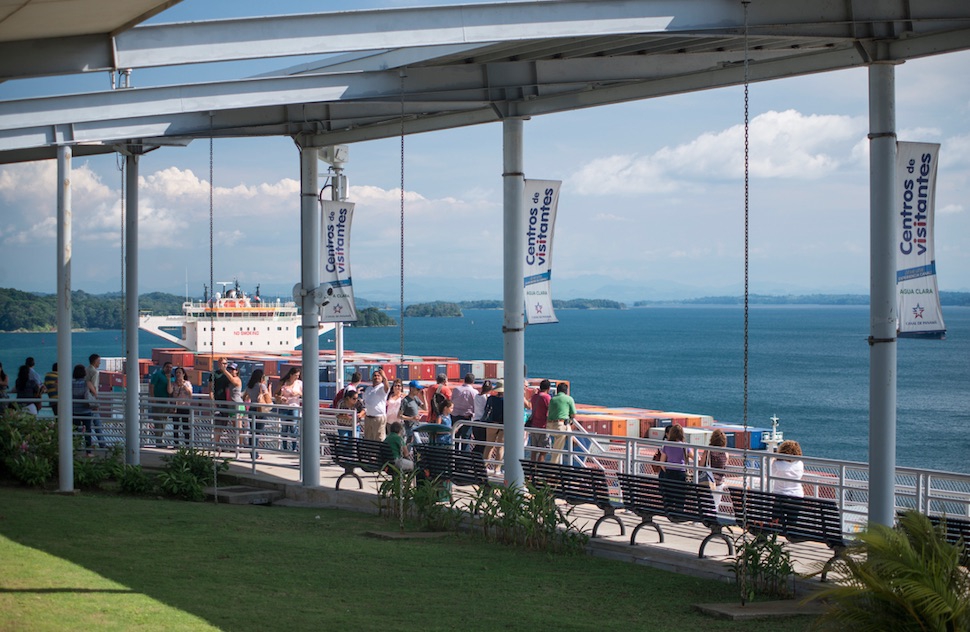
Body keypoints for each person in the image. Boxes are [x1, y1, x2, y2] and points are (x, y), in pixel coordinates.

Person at [657, 423, 692, 514]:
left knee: (670, 494)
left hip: (669, 473)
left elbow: (662, 462)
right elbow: (697, 458)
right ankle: (679, 514)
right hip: (681, 473)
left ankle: (670, 513)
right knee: (681, 496)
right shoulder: (685, 446)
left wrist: (667, 470)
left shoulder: (667, 445)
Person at [771, 440, 805, 529]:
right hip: (797, 496)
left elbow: (770, 473)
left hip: (781, 497)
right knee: (792, 523)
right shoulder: (800, 464)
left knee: (776, 522)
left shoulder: (777, 464)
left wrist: (773, 459)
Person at [243, 369, 272, 459]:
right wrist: (269, 389)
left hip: (252, 409)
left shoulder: (249, 386)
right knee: (258, 432)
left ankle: (253, 453)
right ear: (261, 377)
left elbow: (245, 397)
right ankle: (255, 454)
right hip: (260, 410)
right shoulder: (262, 386)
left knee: (252, 431)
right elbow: (268, 399)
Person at [215, 361, 244, 449]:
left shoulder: (237, 379)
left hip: (237, 404)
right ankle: (235, 444)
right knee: (233, 426)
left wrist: (224, 370)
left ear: (237, 371)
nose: (231, 371)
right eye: (229, 369)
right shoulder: (228, 379)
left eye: (233, 369)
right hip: (230, 405)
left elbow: (232, 380)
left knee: (238, 426)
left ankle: (240, 445)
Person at [547, 382, 576, 464]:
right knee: (556, 453)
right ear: (566, 391)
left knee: (555, 449)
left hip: (550, 426)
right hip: (560, 427)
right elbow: (573, 414)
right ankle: (552, 473)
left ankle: (572, 437)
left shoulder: (552, 399)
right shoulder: (569, 399)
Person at [703, 428, 729, 511]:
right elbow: (725, 466)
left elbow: (701, 465)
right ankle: (714, 520)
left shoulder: (708, 450)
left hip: (708, 481)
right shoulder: (726, 453)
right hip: (719, 482)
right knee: (716, 504)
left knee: (705, 504)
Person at [481, 381, 505, 474]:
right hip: (503, 424)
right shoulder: (508, 399)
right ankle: (497, 469)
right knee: (500, 448)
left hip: (491, 423)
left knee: (489, 446)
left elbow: (486, 410)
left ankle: (484, 467)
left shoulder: (491, 398)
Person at [71, 364, 95, 456]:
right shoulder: (87, 383)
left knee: (74, 431)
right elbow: (94, 393)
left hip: (74, 411)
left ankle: (74, 450)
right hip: (86, 410)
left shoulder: (71, 384)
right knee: (88, 431)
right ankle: (88, 452)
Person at [277, 367, 302, 452]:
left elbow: (304, 394)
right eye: (295, 375)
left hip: (294, 406)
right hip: (284, 407)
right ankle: (285, 448)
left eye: (298, 375)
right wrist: (282, 398)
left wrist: (298, 393)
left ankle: (294, 448)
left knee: (293, 427)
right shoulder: (283, 383)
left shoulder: (299, 383)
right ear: (291, 375)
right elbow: (277, 395)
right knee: (284, 427)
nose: (297, 377)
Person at [450, 373, 477, 451]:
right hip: (467, 417)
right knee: (466, 439)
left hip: (455, 416)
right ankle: (464, 459)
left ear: (464, 380)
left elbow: (452, 401)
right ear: (473, 381)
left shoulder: (456, 389)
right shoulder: (474, 392)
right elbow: (475, 406)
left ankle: (454, 456)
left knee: (455, 437)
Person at [149, 361, 174, 446]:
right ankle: (158, 441)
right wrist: (152, 398)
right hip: (158, 401)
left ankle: (161, 440)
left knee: (164, 421)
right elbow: (151, 386)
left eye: (171, 367)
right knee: (158, 421)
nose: (169, 369)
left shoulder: (172, 377)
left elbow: (171, 390)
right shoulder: (158, 374)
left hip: (167, 402)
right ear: (164, 367)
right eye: (167, 367)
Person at [362, 367, 389, 440]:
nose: (376, 377)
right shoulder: (368, 389)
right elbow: (364, 402)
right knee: (368, 440)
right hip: (368, 418)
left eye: (378, 376)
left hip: (378, 418)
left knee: (379, 440)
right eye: (374, 376)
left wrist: (385, 377)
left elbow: (387, 388)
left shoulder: (381, 388)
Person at [529, 379, 552, 461]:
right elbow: (550, 410)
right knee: (543, 451)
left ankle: (531, 472)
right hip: (543, 426)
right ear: (548, 388)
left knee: (534, 451)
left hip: (533, 425)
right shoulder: (547, 397)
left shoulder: (534, 397)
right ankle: (538, 470)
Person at [85, 354, 105, 449]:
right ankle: (102, 444)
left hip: (84, 400)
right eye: (99, 360)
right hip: (91, 400)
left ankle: (85, 443)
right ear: (95, 361)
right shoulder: (95, 372)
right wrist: (96, 400)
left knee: (86, 424)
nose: (100, 362)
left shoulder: (86, 370)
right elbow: (94, 387)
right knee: (97, 423)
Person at [171, 366, 194, 447]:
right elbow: (170, 392)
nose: (178, 374)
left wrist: (183, 385)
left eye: (179, 373)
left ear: (183, 374)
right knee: (175, 426)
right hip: (176, 406)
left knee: (185, 426)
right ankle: (176, 444)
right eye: (176, 373)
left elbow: (190, 393)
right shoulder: (173, 384)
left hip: (185, 406)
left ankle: (187, 443)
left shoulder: (187, 383)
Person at [399, 381, 426, 446]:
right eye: (417, 389)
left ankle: (407, 454)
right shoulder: (405, 401)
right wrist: (412, 418)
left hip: (416, 425)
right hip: (410, 426)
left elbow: (425, 408)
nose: (419, 391)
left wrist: (423, 396)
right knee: (418, 443)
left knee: (410, 444)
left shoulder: (416, 399)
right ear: (411, 389)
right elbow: (400, 416)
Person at [471, 380, 492, 456]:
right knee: (483, 444)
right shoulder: (487, 397)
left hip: (475, 421)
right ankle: (480, 461)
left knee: (478, 443)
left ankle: (474, 459)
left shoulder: (477, 396)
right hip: (483, 423)